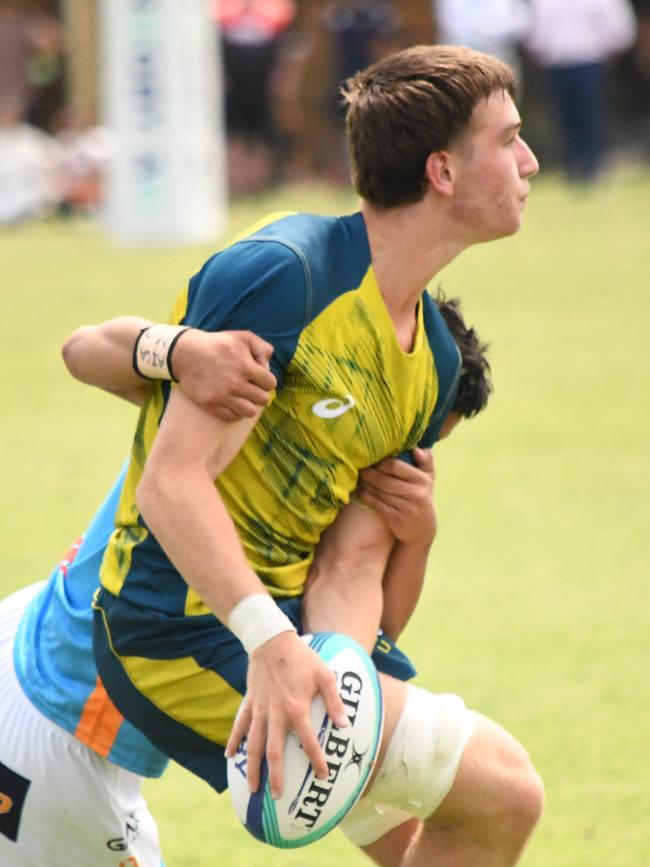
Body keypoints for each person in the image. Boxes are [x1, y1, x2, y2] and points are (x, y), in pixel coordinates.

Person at [0, 297, 491, 866]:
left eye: (427, 445)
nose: (411, 455)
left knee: (394, 794)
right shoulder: (256, 401)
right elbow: (82, 347)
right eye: (414, 432)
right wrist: (180, 350)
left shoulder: (348, 483)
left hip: (32, 632)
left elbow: (363, 651)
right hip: (64, 717)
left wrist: (417, 537)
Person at [524, 0, 637, 182]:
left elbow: (619, 28)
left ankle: (593, 165)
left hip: (589, 60)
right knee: (564, 116)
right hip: (556, 62)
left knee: (590, 115)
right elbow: (535, 29)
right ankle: (572, 165)